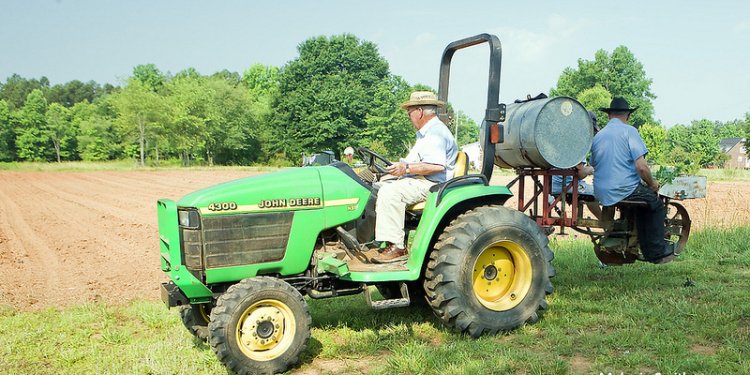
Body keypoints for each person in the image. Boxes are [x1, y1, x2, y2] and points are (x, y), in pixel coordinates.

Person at [372, 91, 458, 263]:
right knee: (373, 187)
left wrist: (406, 169)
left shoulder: (436, 133)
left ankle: (397, 246)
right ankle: (374, 241)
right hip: (421, 180)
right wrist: (385, 172)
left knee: (390, 193)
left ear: (419, 111)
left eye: (409, 112)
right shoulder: (425, 134)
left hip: (432, 184)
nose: (408, 116)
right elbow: (411, 162)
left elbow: (436, 166)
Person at [590, 97, 674, 264]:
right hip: (623, 189)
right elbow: (642, 167)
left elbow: (595, 164)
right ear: (627, 115)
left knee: (641, 204)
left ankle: (630, 244)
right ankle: (656, 253)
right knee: (654, 204)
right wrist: (652, 184)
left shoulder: (598, 137)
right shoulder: (630, 132)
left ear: (609, 116)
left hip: (601, 191)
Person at [551, 111, 602, 220]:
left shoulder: (563, 137)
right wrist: (592, 170)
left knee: (586, 188)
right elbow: (581, 174)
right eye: (592, 130)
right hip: (566, 186)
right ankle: (605, 223)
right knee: (601, 191)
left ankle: (602, 221)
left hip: (554, 184)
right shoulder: (578, 142)